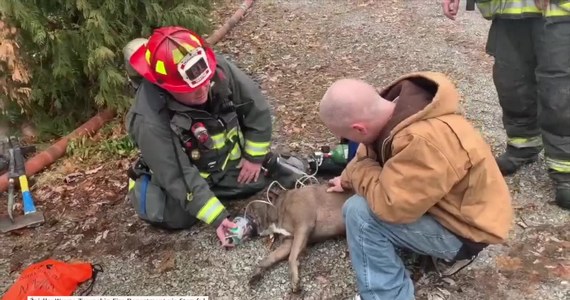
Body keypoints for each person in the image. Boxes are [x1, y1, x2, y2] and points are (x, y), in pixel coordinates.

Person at [319, 74, 514, 300]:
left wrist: (355, 172)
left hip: (466, 232)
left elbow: (391, 207)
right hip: (454, 209)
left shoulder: (422, 142)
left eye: (346, 137)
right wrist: (345, 178)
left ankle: (387, 295)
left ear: (359, 129)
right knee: (364, 198)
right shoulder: (395, 110)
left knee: (360, 214)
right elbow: (367, 154)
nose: (350, 143)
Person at [122, 26, 309, 248]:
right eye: (191, 89)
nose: (202, 90)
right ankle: (158, 189)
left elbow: (255, 108)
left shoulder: (214, 68)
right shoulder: (149, 119)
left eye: (206, 81)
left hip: (217, 165)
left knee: (258, 180)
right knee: (175, 217)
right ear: (167, 86)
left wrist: (253, 158)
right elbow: (177, 174)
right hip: (180, 171)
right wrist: (218, 218)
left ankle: (271, 164)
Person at [442, 0, 570, 210]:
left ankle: (565, 169)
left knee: (559, 93)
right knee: (511, 84)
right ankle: (523, 146)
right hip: (508, 12)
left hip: (558, 13)